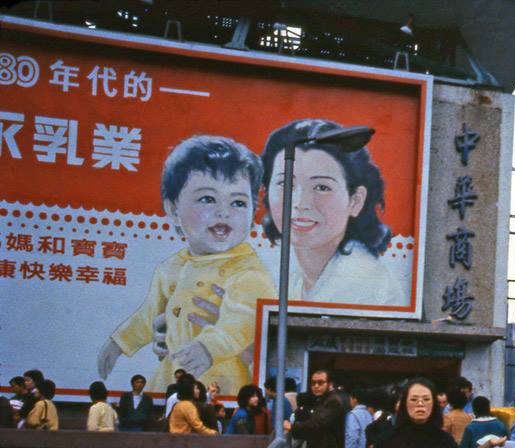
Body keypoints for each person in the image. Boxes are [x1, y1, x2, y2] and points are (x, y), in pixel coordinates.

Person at [97, 136, 276, 395]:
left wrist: (209, 347)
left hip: (219, 374)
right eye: (208, 199)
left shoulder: (247, 271)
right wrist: (119, 343)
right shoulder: (171, 267)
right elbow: (149, 315)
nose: (224, 212)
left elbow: (244, 320)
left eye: (238, 202)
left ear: (252, 215)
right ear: (173, 209)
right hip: (173, 369)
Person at [261, 119, 403, 305]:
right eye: (285, 183)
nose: (299, 203)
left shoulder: (365, 284)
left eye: (321, 187)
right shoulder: (293, 278)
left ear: (356, 201)